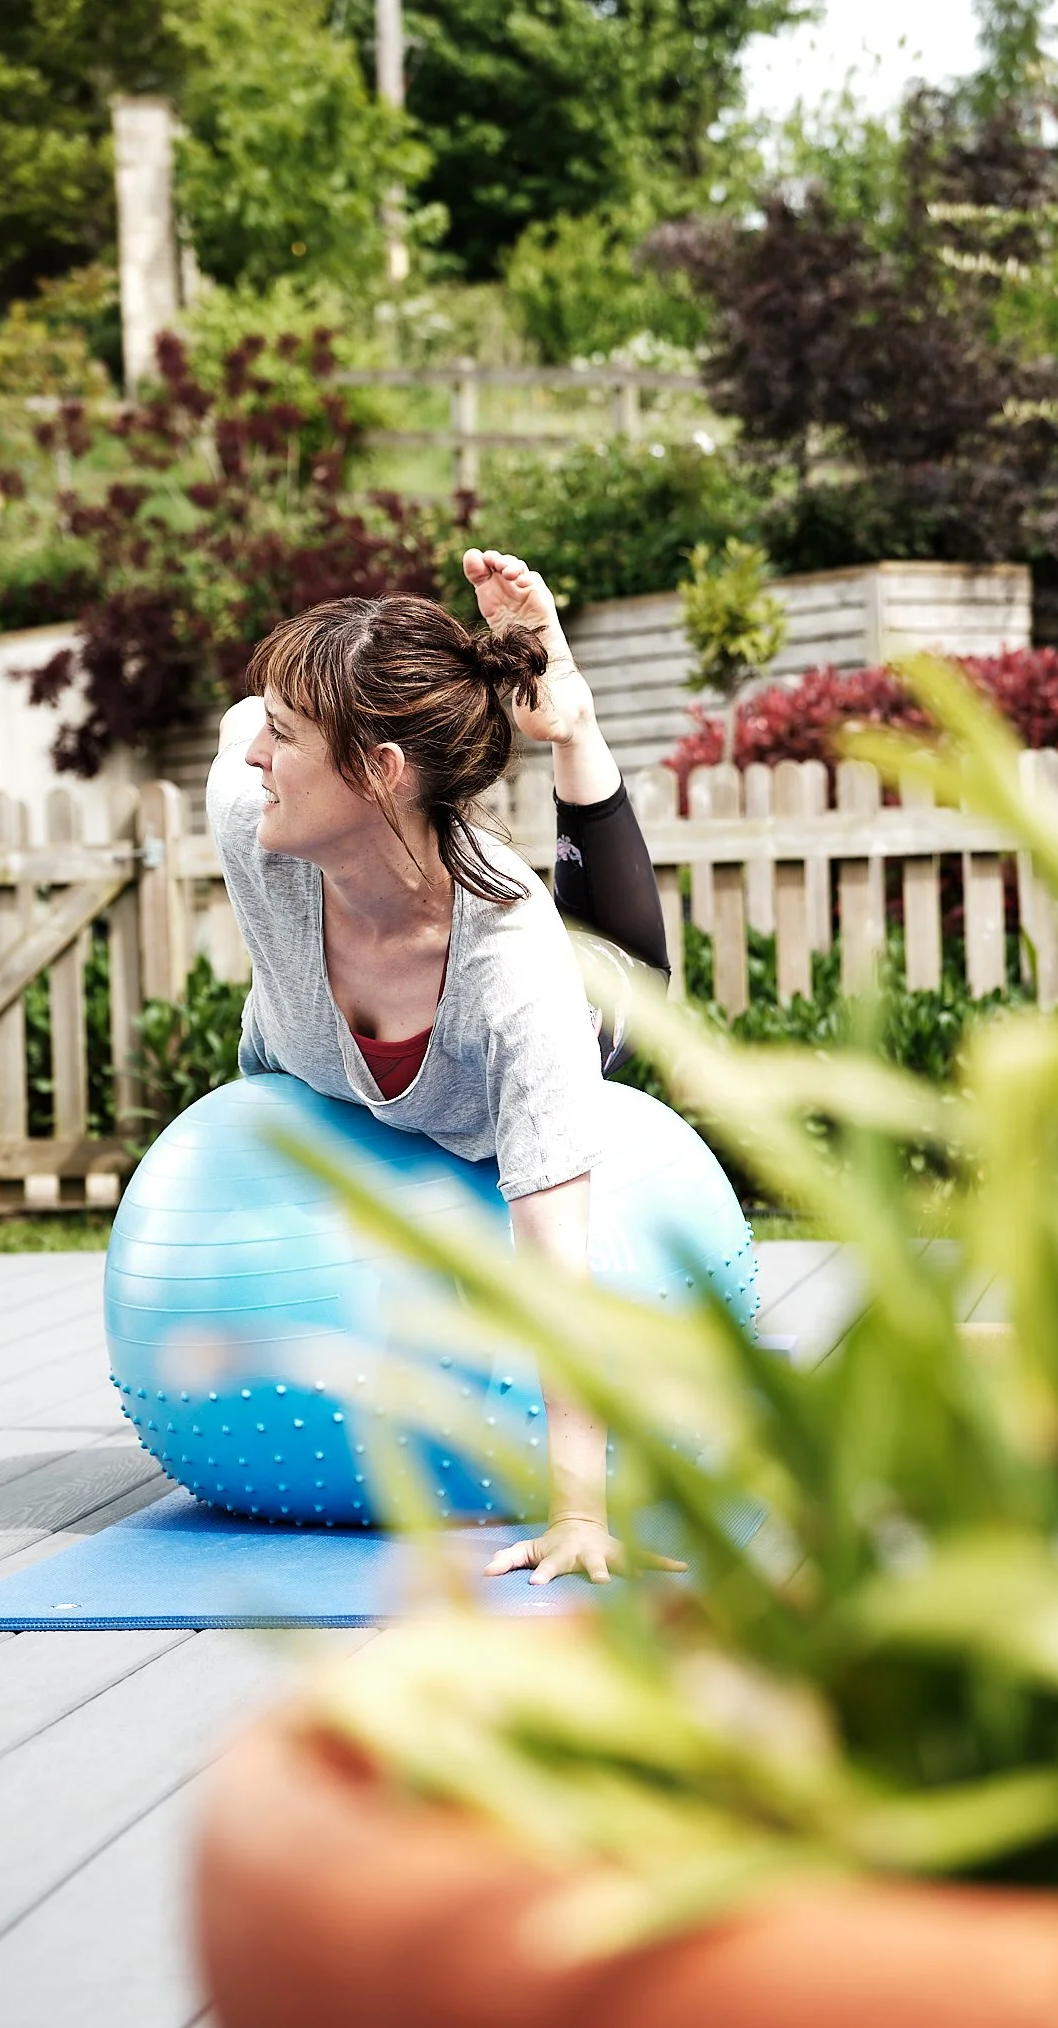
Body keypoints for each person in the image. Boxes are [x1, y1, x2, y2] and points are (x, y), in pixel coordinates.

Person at [207, 548, 673, 1585]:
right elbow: (241, 729)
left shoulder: (515, 972)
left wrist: (581, 1510)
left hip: (546, 1033)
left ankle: (577, 724)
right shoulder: (254, 824)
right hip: (303, 1065)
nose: (256, 759)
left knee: (633, 988)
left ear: (378, 769)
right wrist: (278, 710)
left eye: (288, 737)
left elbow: (558, 1275)